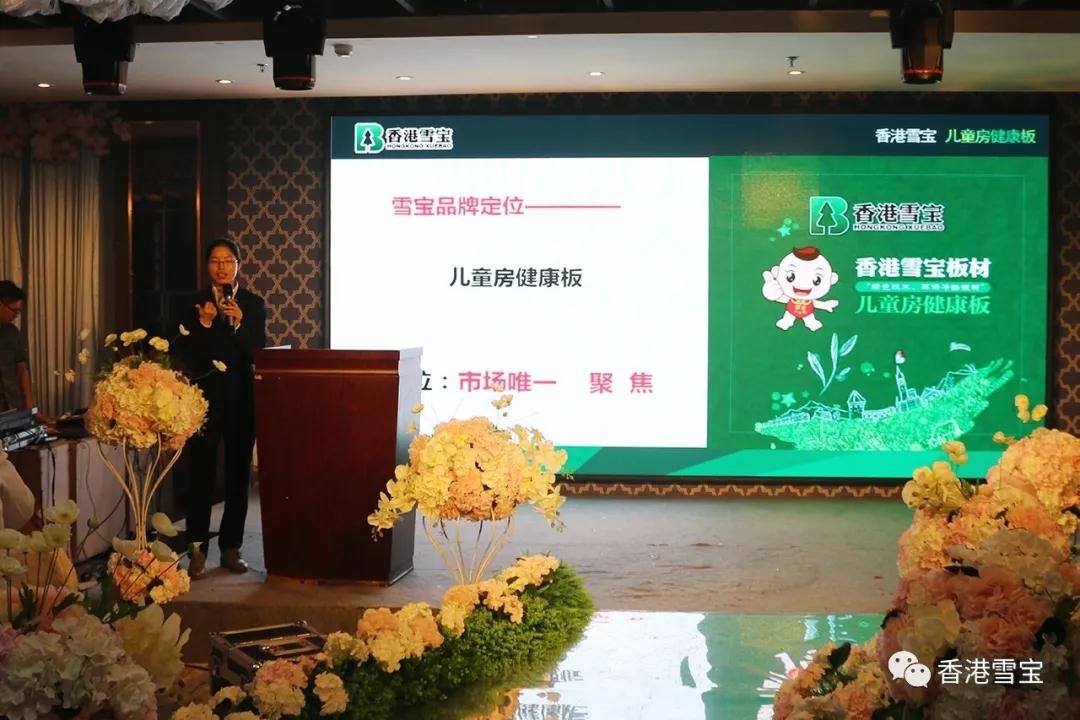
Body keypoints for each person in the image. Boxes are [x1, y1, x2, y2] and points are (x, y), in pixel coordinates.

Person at [171, 239, 266, 577]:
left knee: (238, 477)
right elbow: (185, 352)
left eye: (228, 260)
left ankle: (231, 548)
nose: (222, 267)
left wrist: (238, 325)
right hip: (205, 401)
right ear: (207, 265)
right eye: (215, 260)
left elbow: (256, 352)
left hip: (241, 401)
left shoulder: (253, 304)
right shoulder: (193, 304)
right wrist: (206, 325)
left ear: (239, 265)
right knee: (201, 475)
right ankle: (196, 551)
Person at [0, 280, 49, 423]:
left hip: (14, 405)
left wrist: (30, 407)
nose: (16, 315)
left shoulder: (12, 332)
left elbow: (22, 369)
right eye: (14, 311)